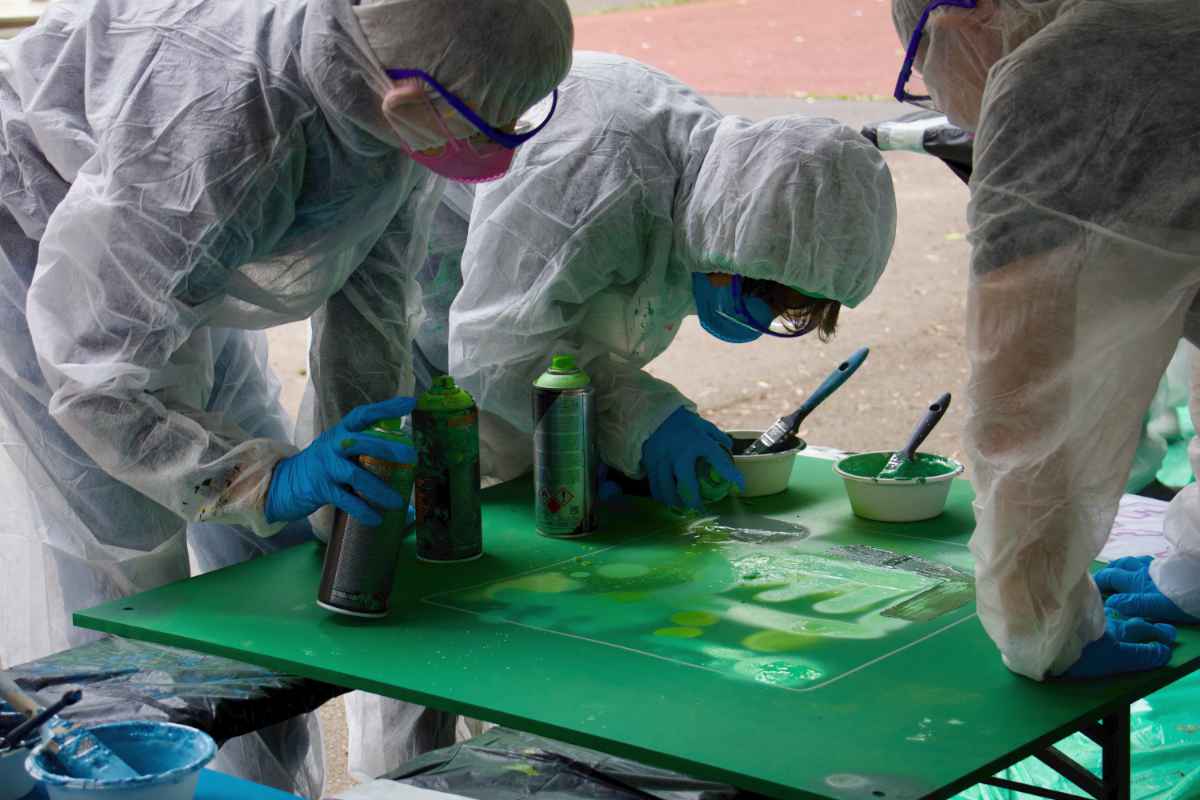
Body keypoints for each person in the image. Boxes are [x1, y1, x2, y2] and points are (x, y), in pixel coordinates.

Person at [0, 0, 572, 794]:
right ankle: (127, 785)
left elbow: (372, 301)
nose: (501, 143)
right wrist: (263, 480)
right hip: (43, 234)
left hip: (169, 249)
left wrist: (352, 485)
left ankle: (265, 791)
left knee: (272, 554)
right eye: (491, 124)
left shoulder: (386, 95)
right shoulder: (223, 121)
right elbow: (96, 367)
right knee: (134, 570)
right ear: (409, 101)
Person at [413, 52, 896, 507]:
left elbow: (579, 306)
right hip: (417, 318)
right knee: (426, 491)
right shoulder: (598, 170)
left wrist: (612, 436)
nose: (763, 317)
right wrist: (639, 419)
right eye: (766, 296)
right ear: (736, 243)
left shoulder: (722, 195)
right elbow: (495, 352)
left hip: (498, 332)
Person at [889, 0, 1200, 681]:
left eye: (922, 67)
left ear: (959, 15)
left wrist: (1042, 624)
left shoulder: (1061, 76)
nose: (939, 95)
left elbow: (1023, 392)